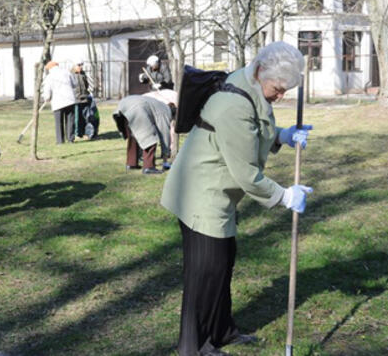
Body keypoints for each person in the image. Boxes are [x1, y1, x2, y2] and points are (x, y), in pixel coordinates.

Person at [160, 41, 313, 356]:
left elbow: (255, 128)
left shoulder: (249, 82)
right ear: (260, 71)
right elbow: (246, 173)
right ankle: (194, 346)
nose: (281, 96)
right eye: (277, 88)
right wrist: (285, 196)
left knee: (222, 262)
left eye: (286, 90)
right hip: (199, 195)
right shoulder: (233, 104)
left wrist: (282, 135)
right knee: (205, 271)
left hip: (217, 192)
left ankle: (221, 331)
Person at [113, 95, 175, 175]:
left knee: (135, 135)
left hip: (123, 105)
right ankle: (149, 167)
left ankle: (131, 164)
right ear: (173, 114)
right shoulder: (166, 111)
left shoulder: (159, 105)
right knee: (149, 137)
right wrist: (166, 154)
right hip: (136, 108)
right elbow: (164, 134)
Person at [44, 61, 77, 144]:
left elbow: (47, 90)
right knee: (70, 120)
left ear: (50, 68)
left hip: (57, 101)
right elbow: (74, 84)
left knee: (59, 122)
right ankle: (70, 139)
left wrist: (47, 98)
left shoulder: (49, 77)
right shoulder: (67, 72)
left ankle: (60, 141)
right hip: (70, 99)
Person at [71, 61, 89, 138]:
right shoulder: (71, 75)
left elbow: (86, 85)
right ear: (74, 66)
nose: (80, 67)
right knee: (76, 118)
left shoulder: (83, 74)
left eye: (81, 65)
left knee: (84, 117)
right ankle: (76, 133)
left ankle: (83, 132)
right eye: (79, 65)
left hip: (84, 98)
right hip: (76, 99)